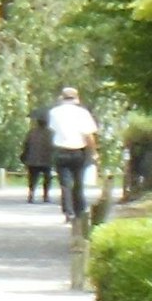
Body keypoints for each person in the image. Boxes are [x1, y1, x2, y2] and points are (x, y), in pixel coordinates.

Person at [46, 86, 103, 220]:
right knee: (78, 182)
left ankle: (68, 211)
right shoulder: (83, 113)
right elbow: (89, 136)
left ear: (62, 98)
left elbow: (52, 130)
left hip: (61, 151)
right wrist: (93, 152)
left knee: (65, 184)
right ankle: (80, 211)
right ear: (77, 98)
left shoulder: (54, 112)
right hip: (78, 151)